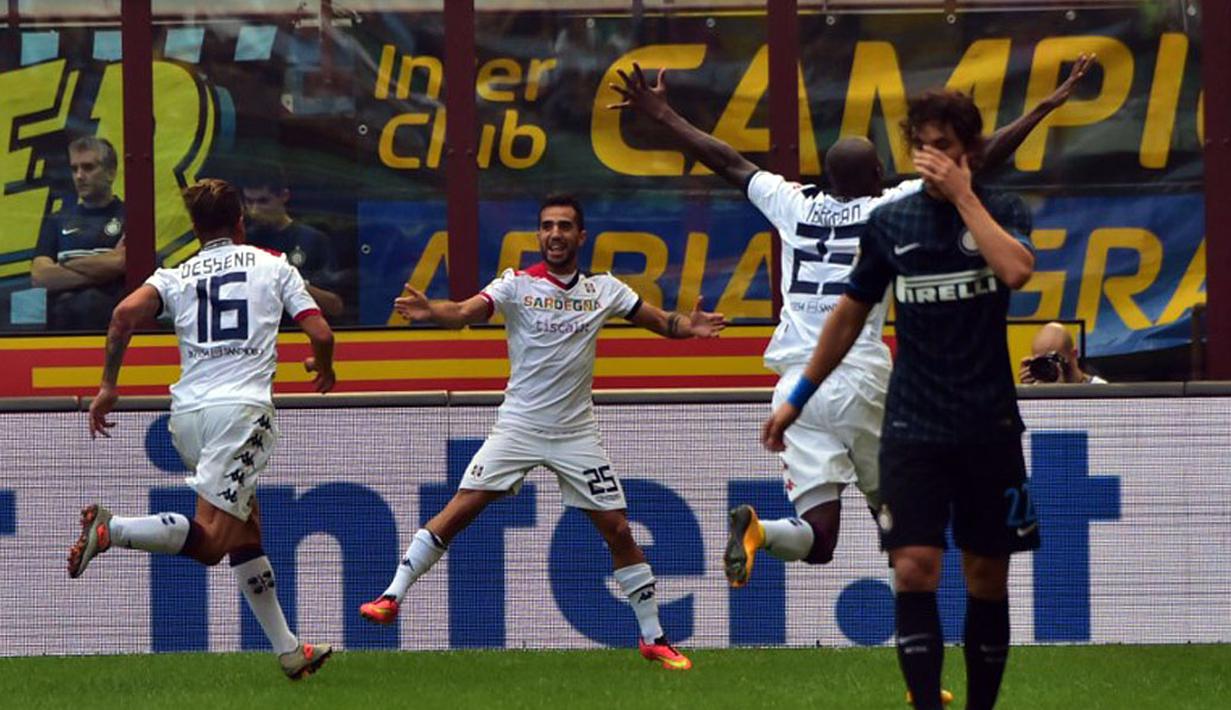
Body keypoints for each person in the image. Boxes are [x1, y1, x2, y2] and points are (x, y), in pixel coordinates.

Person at [609, 56, 1091, 602]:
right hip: (859, 374)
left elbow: (726, 160)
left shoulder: (792, 203)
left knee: (820, 539)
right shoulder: (889, 208)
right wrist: (1045, 107)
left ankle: (759, 532)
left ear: (826, 178)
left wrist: (662, 114)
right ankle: (915, 645)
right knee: (904, 518)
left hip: (794, 388)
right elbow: (977, 158)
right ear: (879, 178)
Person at [358, 193, 726, 670]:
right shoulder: (515, 286)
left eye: (565, 226)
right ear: (539, 234)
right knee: (462, 508)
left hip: (576, 433)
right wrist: (435, 313)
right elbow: (467, 311)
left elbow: (663, 322)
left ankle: (653, 637)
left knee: (617, 529)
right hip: (520, 426)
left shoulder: (604, 290)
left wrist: (688, 326)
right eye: (548, 226)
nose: (556, 234)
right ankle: (391, 596)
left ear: (581, 235)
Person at [762, 88, 1040, 710]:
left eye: (944, 148)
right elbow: (847, 315)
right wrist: (798, 395)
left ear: (967, 152)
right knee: (914, 568)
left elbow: (1017, 271)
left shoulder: (1001, 210)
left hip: (987, 423)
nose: (931, 159)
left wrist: (965, 195)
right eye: (922, 147)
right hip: (913, 425)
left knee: (986, 577)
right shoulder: (891, 222)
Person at [68, 178, 338, 680]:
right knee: (214, 543)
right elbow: (321, 330)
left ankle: (289, 651)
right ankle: (113, 530)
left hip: (188, 416)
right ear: (240, 220)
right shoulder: (272, 264)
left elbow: (123, 314)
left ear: (195, 229)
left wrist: (108, 386)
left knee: (245, 529)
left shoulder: (176, 274)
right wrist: (324, 365)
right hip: (241, 414)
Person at [31, 136, 127, 331]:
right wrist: (105, 270)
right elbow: (40, 277)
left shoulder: (130, 216)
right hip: (60, 336)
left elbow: (122, 262)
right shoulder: (56, 220)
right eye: (74, 169)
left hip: (112, 332)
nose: (79, 176)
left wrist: (64, 265)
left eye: (88, 167)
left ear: (110, 172)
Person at [241, 171, 346, 320]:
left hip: (298, 334)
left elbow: (335, 306)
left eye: (263, 201)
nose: (254, 210)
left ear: (284, 196)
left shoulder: (313, 240)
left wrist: (289, 282)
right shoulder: (244, 243)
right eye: (249, 202)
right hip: (255, 336)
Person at [1019, 321, 1107, 384]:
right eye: (1041, 361)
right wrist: (1025, 393)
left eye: (1053, 359)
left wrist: (1060, 392)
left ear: (1074, 354)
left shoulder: (1100, 390)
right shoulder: (1035, 391)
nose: (1047, 367)